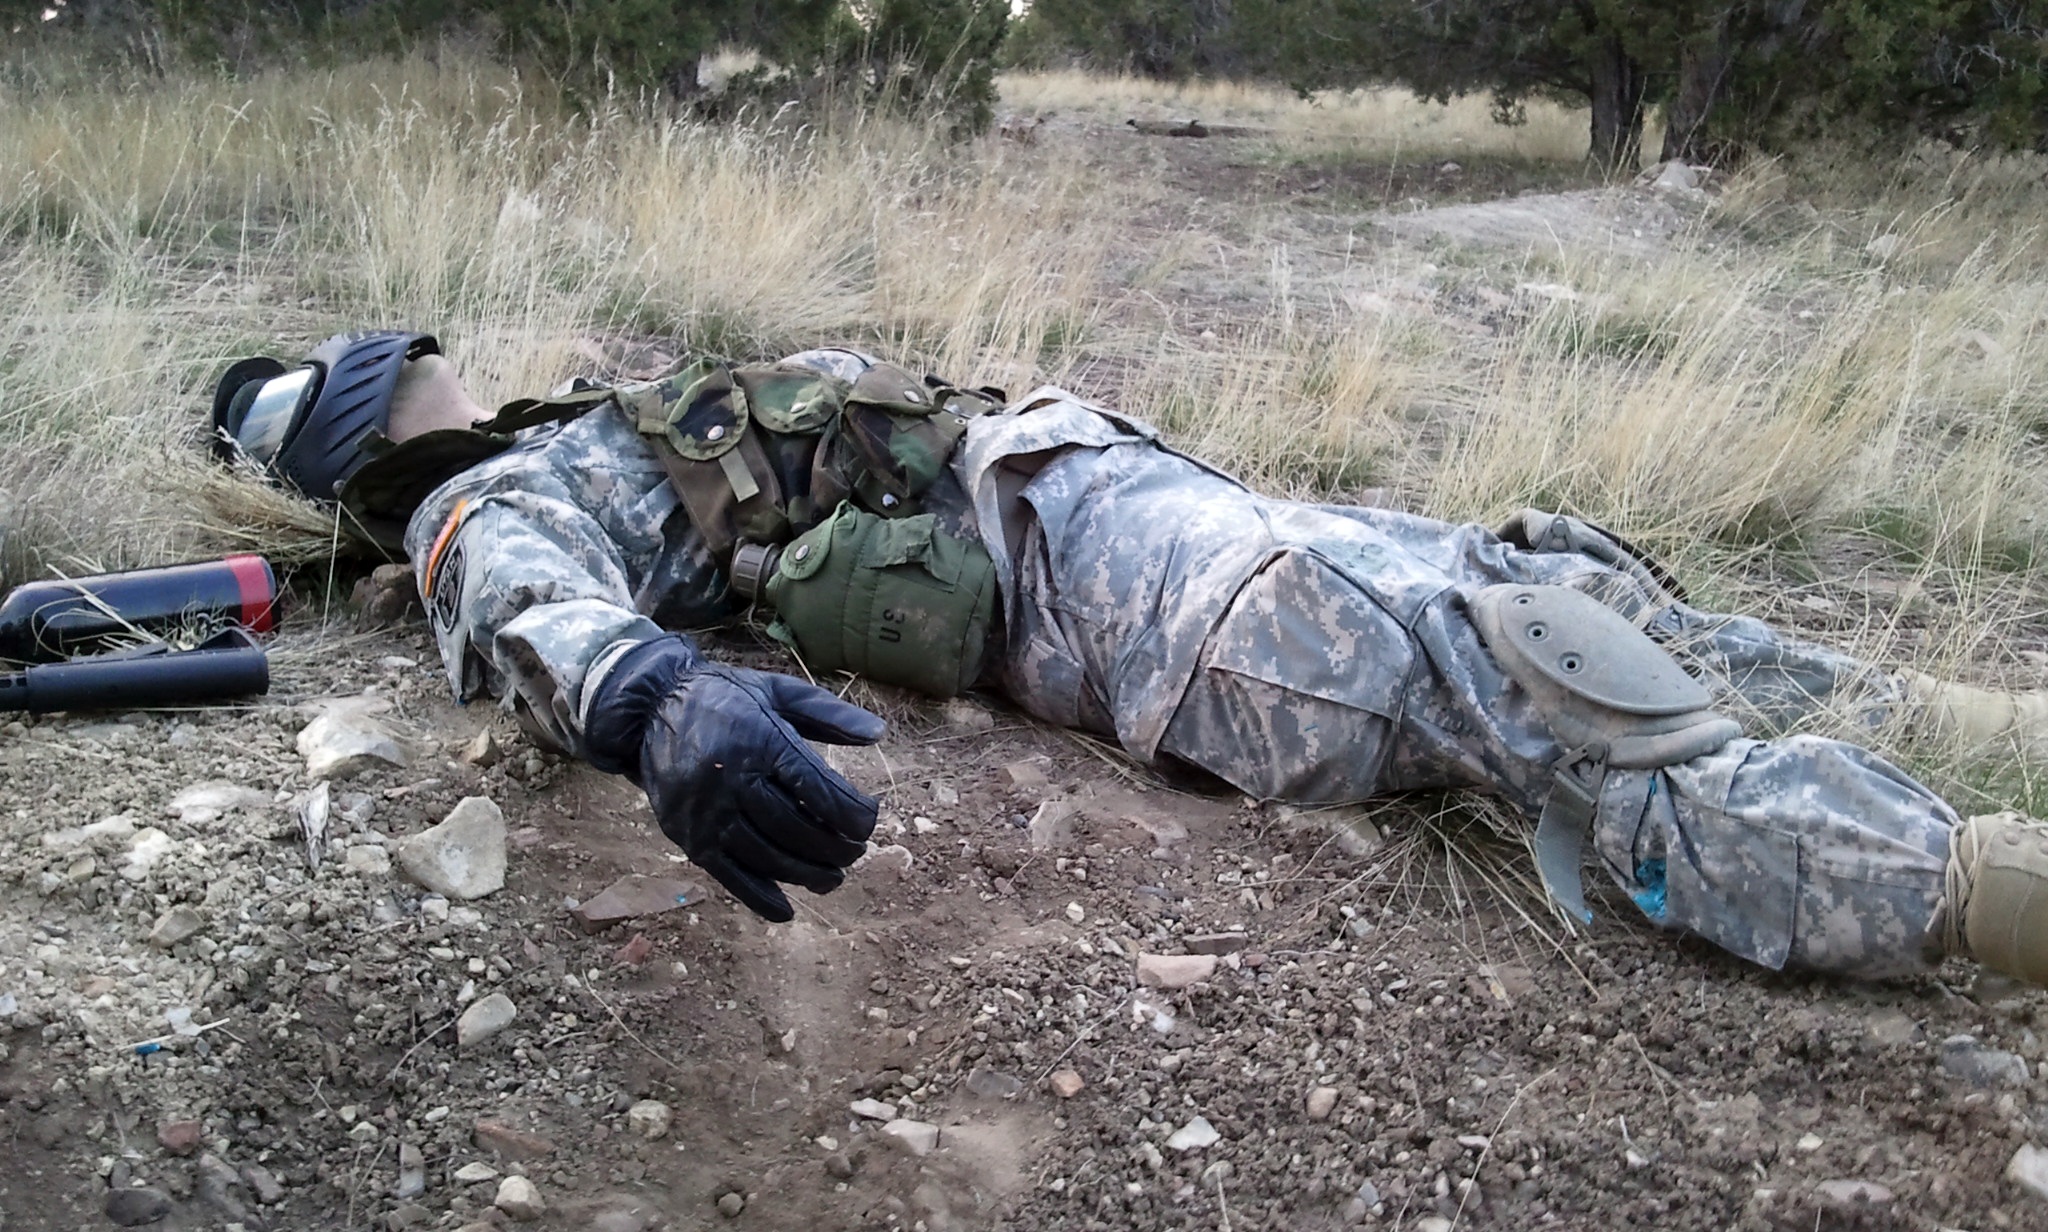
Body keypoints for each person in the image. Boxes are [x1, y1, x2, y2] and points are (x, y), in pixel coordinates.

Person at [210, 330, 2048, 986]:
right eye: (390, 375)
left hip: (1082, 486)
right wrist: (651, 698)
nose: (431, 359)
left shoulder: (569, 425)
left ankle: (1947, 725)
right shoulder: (491, 503)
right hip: (1072, 579)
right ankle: (1971, 891)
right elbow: (523, 593)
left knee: (1536, 570)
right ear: (382, 441)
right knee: (1511, 666)